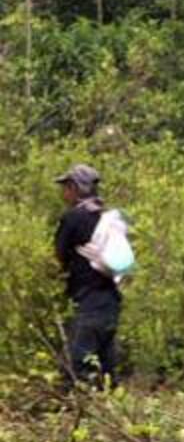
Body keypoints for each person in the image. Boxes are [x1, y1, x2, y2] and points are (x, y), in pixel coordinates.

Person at [53, 163, 121, 391]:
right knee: (106, 366)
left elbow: (59, 256)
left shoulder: (73, 218)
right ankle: (113, 415)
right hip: (111, 300)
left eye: (66, 187)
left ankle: (78, 416)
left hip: (88, 301)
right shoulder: (106, 217)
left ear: (74, 187)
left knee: (76, 367)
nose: (64, 193)